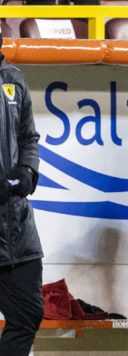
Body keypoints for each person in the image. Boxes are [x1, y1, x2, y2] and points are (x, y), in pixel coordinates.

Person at [0, 31, 44, 356]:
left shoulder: (14, 79)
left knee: (28, 314)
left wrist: (27, 172)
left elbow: (29, 137)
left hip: (17, 229)